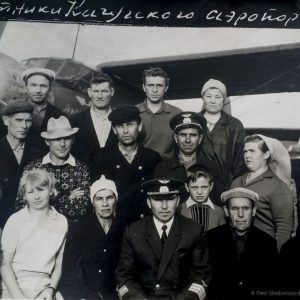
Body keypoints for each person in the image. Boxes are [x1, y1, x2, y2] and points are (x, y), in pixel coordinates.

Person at [116, 178, 211, 300]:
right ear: (149, 202)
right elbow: (124, 277)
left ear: (177, 201)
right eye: (158, 200)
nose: (164, 206)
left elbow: (201, 276)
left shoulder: (193, 230)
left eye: (170, 199)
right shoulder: (133, 232)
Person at [0, 169, 68, 299]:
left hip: (44, 288)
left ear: (51, 190)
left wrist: (51, 289)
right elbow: (4, 264)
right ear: (24, 195)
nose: (36, 197)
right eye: (30, 192)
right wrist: (19, 296)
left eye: (41, 190)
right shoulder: (15, 220)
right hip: (14, 287)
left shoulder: (61, 221)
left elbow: (59, 263)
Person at [91, 105, 161, 226]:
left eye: (130, 124)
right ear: (114, 129)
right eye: (120, 126)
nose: (125, 131)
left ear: (139, 126)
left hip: (145, 225)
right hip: (114, 226)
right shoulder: (101, 158)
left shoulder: (152, 158)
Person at [16, 116, 91, 224]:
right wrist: (68, 200)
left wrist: (44, 203)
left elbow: (81, 209)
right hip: (38, 231)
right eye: (56, 139)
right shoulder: (32, 168)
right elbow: (20, 206)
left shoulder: (82, 169)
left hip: (73, 233)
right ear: (47, 141)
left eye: (67, 138)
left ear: (73, 139)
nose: (62, 144)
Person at [206, 187, 278, 300]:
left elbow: (272, 285)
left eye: (246, 208)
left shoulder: (268, 243)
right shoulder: (210, 239)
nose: (240, 214)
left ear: (254, 210)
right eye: (235, 209)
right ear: (226, 211)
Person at [60, 175, 124, 300]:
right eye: (99, 199)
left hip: (115, 293)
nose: (105, 204)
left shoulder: (123, 228)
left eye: (109, 198)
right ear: (92, 202)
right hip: (86, 293)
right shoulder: (79, 229)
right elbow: (70, 269)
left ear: (116, 199)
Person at [231, 134, 294, 251]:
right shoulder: (236, 182)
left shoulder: (278, 187)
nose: (247, 155)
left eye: (252, 151)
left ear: (266, 154)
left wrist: (276, 257)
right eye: (245, 151)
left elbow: (284, 228)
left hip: (264, 252)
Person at [154, 111, 226, 205]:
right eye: (183, 135)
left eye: (193, 135)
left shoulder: (211, 167)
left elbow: (218, 201)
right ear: (176, 138)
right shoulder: (163, 168)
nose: (188, 140)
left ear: (200, 139)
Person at [0, 99, 42, 227]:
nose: (24, 126)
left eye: (28, 121)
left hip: (32, 222)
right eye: (18, 120)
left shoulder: (38, 154)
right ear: (6, 120)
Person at [200, 79, 246, 189]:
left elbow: (240, 160)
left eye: (217, 97)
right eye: (208, 96)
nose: (212, 101)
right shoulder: (194, 122)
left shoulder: (235, 125)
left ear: (224, 99)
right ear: (203, 98)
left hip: (226, 186)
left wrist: (235, 186)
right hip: (198, 185)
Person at [70, 74, 118, 164]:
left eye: (104, 91)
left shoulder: (121, 119)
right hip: (86, 175)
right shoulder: (74, 121)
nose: (99, 96)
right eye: (96, 91)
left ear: (112, 91)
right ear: (89, 92)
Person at [136, 67, 182, 158]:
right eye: (150, 85)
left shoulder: (177, 114)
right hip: (140, 168)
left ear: (166, 88)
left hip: (167, 168)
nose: (155, 90)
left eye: (159, 85)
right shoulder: (133, 112)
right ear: (144, 87)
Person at [22, 67, 66, 153]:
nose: (38, 90)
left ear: (50, 89)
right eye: (33, 85)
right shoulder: (11, 113)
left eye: (43, 86)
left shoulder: (59, 116)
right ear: (25, 87)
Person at [180, 164, 225, 231]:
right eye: (194, 187)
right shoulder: (179, 210)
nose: (200, 192)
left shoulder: (219, 212)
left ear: (211, 186)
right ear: (187, 187)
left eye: (204, 187)